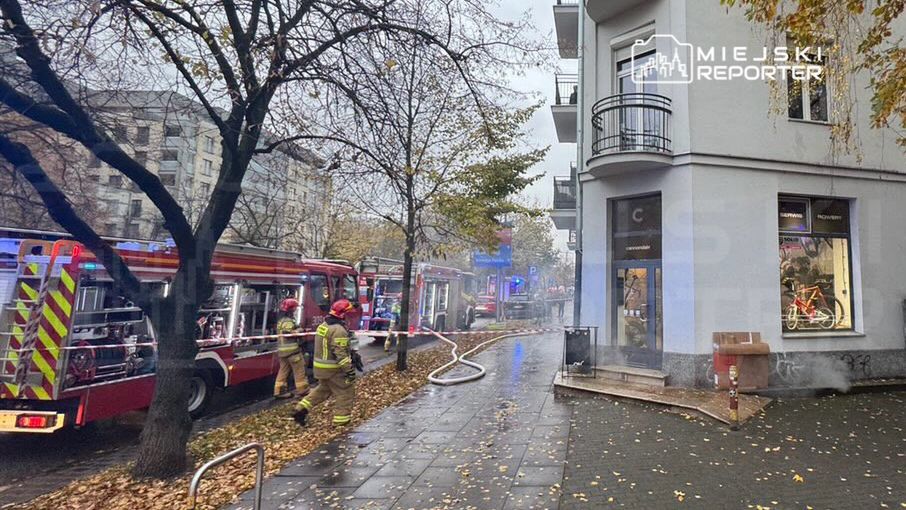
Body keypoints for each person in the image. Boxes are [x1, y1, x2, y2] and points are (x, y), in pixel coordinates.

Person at [294, 299, 357, 427]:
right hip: (333, 369)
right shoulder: (338, 330)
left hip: (321, 369)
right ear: (343, 314)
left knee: (323, 390)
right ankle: (341, 422)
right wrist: (349, 370)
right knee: (345, 392)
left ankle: (300, 409)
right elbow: (340, 354)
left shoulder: (323, 326)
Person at [273, 298, 309, 399]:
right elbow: (288, 333)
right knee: (299, 370)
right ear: (291, 309)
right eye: (295, 308)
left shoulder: (281, 321)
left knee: (283, 372)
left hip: (282, 352)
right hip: (292, 352)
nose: (296, 310)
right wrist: (301, 330)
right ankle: (303, 390)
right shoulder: (288, 321)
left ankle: (279, 392)